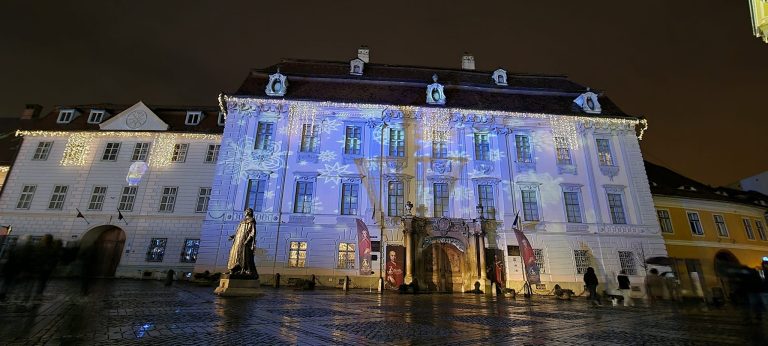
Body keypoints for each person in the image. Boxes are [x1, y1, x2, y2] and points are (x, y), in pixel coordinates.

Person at [227, 208, 258, 279]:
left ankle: (244, 269)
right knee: (235, 254)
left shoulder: (251, 220)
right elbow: (238, 232)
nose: (245, 213)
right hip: (238, 241)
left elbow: (252, 232)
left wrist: (247, 240)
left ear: (249, 212)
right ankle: (234, 269)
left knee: (244, 255)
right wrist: (234, 236)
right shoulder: (242, 221)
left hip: (244, 241)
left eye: (246, 211)